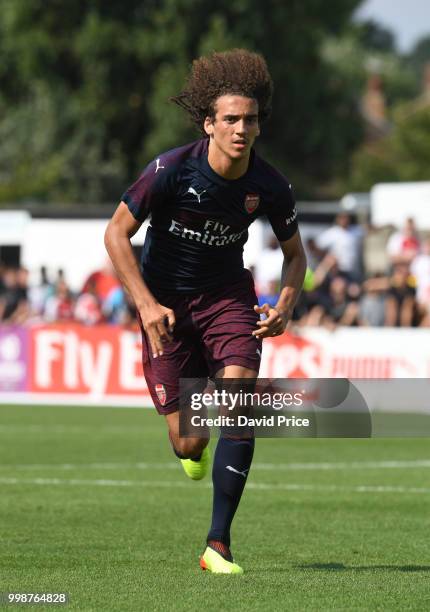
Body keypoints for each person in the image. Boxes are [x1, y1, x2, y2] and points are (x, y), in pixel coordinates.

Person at [104, 49, 306, 574]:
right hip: (165, 309)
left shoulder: (270, 186)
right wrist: (146, 305)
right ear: (209, 124)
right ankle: (192, 452)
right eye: (231, 119)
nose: (242, 128)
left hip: (227, 301)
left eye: (251, 119)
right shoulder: (170, 170)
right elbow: (116, 234)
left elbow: (295, 255)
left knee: (237, 407)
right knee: (188, 438)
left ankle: (217, 545)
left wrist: (285, 304)